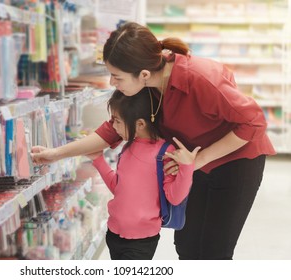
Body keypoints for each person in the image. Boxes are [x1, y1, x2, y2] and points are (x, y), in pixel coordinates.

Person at [32, 22, 276, 260]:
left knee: (215, 250)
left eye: (116, 77)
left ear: (144, 74)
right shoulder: (143, 87)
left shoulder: (200, 78)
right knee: (187, 246)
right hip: (190, 162)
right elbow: (110, 131)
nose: (112, 83)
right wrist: (55, 154)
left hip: (237, 159)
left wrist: (199, 159)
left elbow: (253, 122)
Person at [84, 89, 199, 260]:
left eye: (117, 121)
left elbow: (175, 198)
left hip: (141, 241)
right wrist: (98, 160)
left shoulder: (165, 152)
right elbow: (118, 187)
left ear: (140, 124)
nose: (113, 127)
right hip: (113, 233)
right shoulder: (127, 147)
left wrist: (187, 167)